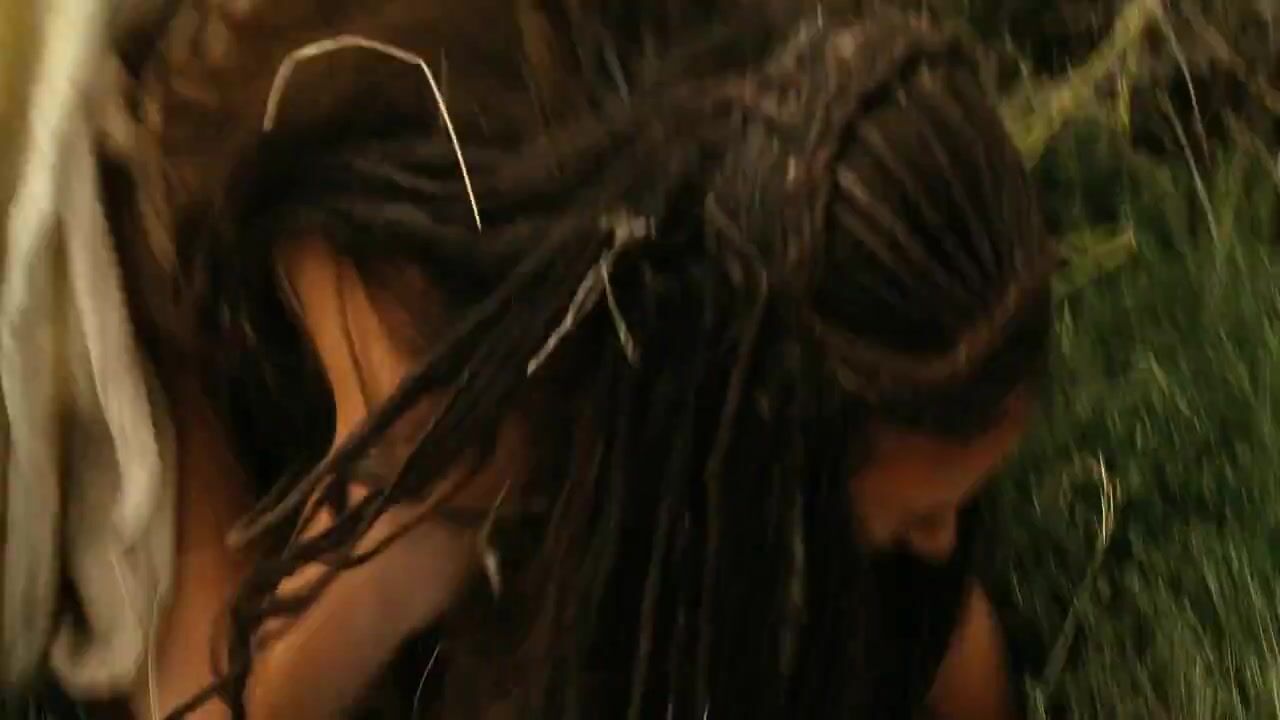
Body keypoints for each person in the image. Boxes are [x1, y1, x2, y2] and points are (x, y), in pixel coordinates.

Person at [49, 0, 1057, 717]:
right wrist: (394, 553)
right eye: (923, 511)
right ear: (768, 422)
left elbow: (949, 651)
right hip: (201, 201)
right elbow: (256, 697)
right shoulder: (460, 421)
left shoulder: (785, 176)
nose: (942, 542)